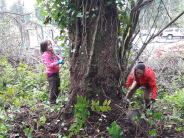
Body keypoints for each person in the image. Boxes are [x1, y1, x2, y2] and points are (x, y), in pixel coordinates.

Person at [40, 40, 65, 106]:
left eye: (50, 44)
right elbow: (49, 65)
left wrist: (62, 58)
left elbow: (59, 59)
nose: (50, 45)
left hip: (56, 74)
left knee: (58, 88)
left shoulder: (52, 53)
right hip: (51, 75)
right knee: (53, 89)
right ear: (44, 47)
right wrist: (58, 62)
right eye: (48, 45)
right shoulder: (45, 55)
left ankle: (55, 101)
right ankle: (51, 103)